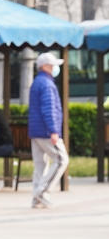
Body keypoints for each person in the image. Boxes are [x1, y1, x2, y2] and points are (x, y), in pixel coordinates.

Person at [29, 51, 68, 209]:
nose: (54, 69)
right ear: (45, 66)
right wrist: (53, 130)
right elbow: (49, 108)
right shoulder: (47, 84)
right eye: (52, 66)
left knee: (40, 165)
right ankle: (42, 192)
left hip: (36, 131)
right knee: (61, 160)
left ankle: (36, 199)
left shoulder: (37, 82)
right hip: (46, 131)